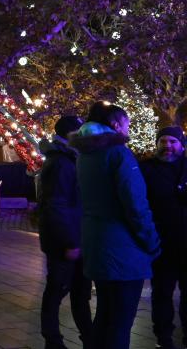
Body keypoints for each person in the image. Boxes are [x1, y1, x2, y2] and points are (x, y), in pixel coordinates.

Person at [70, 101, 160, 349]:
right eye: (127, 123)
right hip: (123, 250)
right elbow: (136, 205)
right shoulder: (118, 154)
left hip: (98, 244)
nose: (128, 128)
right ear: (117, 124)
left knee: (105, 316)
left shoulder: (86, 154)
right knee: (120, 322)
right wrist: (152, 242)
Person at [37, 115, 93, 349]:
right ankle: (53, 340)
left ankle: (89, 338)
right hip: (66, 243)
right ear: (71, 135)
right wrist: (70, 242)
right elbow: (56, 205)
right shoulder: (61, 162)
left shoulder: (66, 158)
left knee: (79, 293)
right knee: (58, 291)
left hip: (74, 239)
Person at [141, 126, 187, 349]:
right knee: (162, 293)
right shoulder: (147, 169)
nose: (167, 145)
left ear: (181, 145)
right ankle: (164, 338)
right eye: (163, 141)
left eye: (172, 141)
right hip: (162, 243)